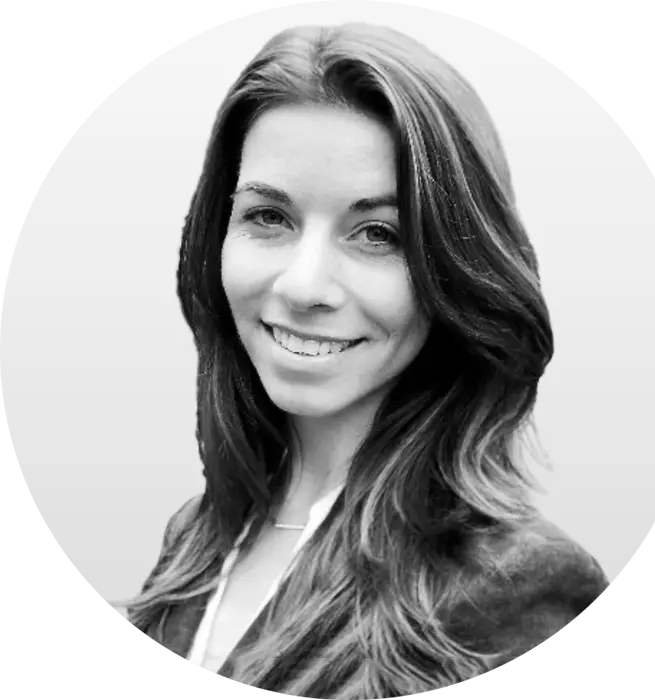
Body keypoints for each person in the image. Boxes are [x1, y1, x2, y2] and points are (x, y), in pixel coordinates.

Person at [112, 21, 610, 699]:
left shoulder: (519, 587)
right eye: (268, 217)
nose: (302, 285)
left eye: (377, 233)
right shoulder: (196, 538)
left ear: (456, 273)